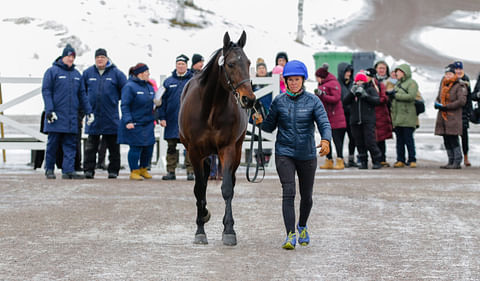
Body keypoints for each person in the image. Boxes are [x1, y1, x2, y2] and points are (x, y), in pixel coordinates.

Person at [255, 60, 332, 250]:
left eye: (297, 79)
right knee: (288, 193)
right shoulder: (279, 101)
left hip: (307, 154)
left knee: (307, 197)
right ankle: (290, 235)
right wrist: (259, 121)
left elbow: (324, 122)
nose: (293, 83)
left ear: (303, 80)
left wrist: (326, 140)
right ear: (286, 81)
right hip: (285, 153)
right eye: (290, 80)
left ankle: (302, 226)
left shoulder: (313, 101)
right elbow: (269, 126)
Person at [42, 44, 94, 180]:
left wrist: (89, 111)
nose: (71, 59)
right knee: (53, 144)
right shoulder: (52, 72)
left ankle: (68, 171)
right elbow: (46, 91)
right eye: (68, 56)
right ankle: (49, 169)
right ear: (63, 56)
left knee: (70, 145)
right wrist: (49, 110)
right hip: (56, 116)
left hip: (71, 117)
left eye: (73, 57)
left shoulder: (77, 75)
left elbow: (82, 94)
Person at [82, 48, 127, 179]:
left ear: (107, 59)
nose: (100, 59)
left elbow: (125, 90)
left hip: (110, 115)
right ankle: (88, 170)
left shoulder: (117, 73)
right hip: (93, 115)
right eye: (97, 57)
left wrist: (114, 100)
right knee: (91, 146)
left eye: (102, 57)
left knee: (113, 146)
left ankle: (113, 170)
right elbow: (82, 92)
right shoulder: (88, 73)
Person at [157, 54, 195, 180]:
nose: (180, 66)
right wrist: (161, 117)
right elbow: (160, 101)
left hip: (189, 121)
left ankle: (190, 172)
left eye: (183, 64)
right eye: (178, 64)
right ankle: (171, 171)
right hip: (172, 120)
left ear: (187, 66)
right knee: (171, 147)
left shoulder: (193, 80)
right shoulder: (168, 82)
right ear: (175, 65)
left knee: (190, 147)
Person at [118, 63, 156, 180]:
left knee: (148, 147)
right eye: (146, 72)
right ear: (140, 73)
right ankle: (134, 170)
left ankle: (143, 168)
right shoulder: (129, 87)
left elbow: (154, 102)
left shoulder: (149, 86)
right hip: (135, 123)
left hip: (148, 122)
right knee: (136, 147)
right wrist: (128, 121)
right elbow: (125, 105)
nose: (148, 74)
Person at [343, 71, 382, 169]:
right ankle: (363, 161)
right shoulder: (353, 90)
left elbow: (377, 101)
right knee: (359, 142)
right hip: (355, 121)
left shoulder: (370, 89)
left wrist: (366, 96)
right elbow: (345, 102)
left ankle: (376, 160)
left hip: (368, 120)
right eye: (358, 80)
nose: (360, 82)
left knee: (370, 141)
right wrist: (352, 93)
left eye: (361, 80)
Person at [434, 64, 467, 169]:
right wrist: (437, 103)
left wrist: (447, 106)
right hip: (443, 116)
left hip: (453, 116)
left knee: (453, 138)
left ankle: (457, 161)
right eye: (446, 74)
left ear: (454, 75)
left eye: (450, 74)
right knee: (446, 139)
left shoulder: (459, 85)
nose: (447, 76)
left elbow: (462, 101)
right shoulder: (443, 85)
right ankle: (450, 160)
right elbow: (439, 97)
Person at [387, 64, 418, 168]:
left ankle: (412, 159)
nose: (396, 74)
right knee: (399, 140)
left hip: (408, 116)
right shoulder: (397, 84)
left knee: (408, 139)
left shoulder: (412, 83)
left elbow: (411, 96)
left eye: (399, 72)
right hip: (397, 116)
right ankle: (400, 159)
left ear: (404, 72)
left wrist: (396, 95)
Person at [315, 66, 346, 170]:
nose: (316, 79)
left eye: (317, 77)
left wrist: (323, 95)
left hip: (336, 117)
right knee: (326, 140)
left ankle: (340, 160)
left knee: (337, 140)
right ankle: (329, 160)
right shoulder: (321, 85)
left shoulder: (333, 83)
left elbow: (336, 98)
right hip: (326, 117)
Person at [368, 67, 393, 167]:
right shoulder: (366, 85)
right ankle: (377, 158)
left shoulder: (379, 85)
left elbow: (383, 98)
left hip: (380, 114)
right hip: (371, 114)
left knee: (381, 138)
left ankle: (382, 159)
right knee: (373, 138)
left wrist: (373, 100)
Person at [337, 62, 357, 167]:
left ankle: (351, 159)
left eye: (350, 71)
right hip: (340, 115)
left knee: (353, 137)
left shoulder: (353, 83)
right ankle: (340, 158)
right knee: (340, 138)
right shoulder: (337, 84)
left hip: (351, 114)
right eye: (346, 71)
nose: (348, 74)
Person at [453, 61, 472, 167]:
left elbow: (469, 97)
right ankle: (456, 157)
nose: (459, 71)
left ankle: (466, 157)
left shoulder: (466, 79)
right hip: (454, 112)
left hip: (463, 112)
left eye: (460, 69)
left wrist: (469, 112)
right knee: (453, 135)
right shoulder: (451, 79)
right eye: (456, 69)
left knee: (464, 136)